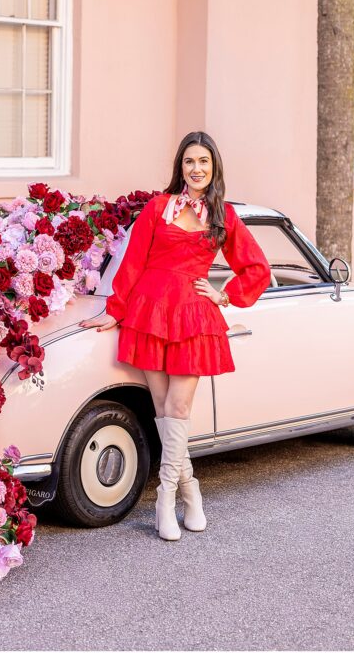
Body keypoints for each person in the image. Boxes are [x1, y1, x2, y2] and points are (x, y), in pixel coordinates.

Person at [78, 130, 271, 541]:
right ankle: (190, 493)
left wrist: (224, 295)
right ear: (179, 167)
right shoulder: (157, 207)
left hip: (193, 318)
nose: (196, 168)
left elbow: (257, 269)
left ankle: (166, 499)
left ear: (214, 167)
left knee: (177, 408)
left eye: (203, 161)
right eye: (189, 161)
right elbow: (132, 263)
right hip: (149, 312)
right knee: (163, 408)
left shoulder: (223, 217)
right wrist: (114, 312)